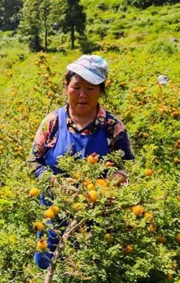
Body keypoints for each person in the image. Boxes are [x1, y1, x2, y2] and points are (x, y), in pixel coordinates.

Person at [28, 55, 135, 269]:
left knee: (91, 266)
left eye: (91, 88)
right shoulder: (52, 122)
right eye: (77, 87)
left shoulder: (113, 127)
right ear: (66, 86)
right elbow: (33, 162)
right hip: (53, 212)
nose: (83, 95)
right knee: (48, 264)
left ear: (101, 91)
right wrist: (54, 182)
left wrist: (103, 188)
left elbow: (127, 171)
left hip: (97, 217)